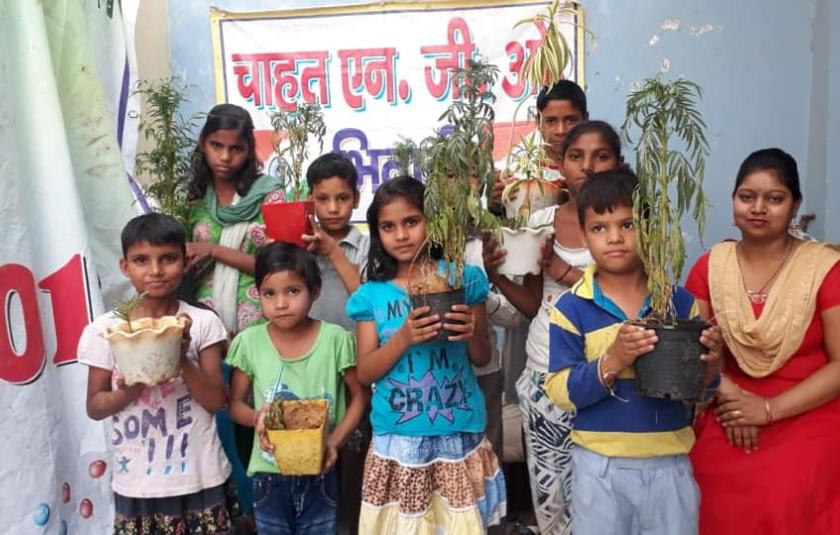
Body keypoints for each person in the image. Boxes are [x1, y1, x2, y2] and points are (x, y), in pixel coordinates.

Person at [544, 170, 722, 535]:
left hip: (670, 465)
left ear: (649, 228)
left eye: (627, 224)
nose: (614, 238)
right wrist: (613, 360)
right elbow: (560, 391)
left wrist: (710, 362)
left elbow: (702, 392)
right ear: (583, 236)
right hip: (599, 468)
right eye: (599, 228)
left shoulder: (677, 303)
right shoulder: (572, 308)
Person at [685, 148, 840, 533]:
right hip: (728, 402)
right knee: (703, 484)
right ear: (734, 199)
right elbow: (695, 352)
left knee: (784, 492)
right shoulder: (710, 267)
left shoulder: (824, 269)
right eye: (747, 196)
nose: (759, 208)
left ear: (795, 205)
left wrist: (768, 409)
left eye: (775, 198)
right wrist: (736, 400)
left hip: (808, 408)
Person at [483, 121, 623, 533]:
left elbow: (630, 297)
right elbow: (533, 304)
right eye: (576, 157)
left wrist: (563, 271)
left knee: (607, 497)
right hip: (548, 374)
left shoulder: (630, 222)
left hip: (612, 374)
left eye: (601, 156)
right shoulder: (541, 220)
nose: (588, 167)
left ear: (618, 162)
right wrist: (500, 278)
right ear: (561, 165)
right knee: (553, 500)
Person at [346, 176, 506, 533]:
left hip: (458, 430)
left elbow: (481, 356)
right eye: (388, 226)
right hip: (400, 439)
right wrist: (402, 338)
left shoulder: (463, 279)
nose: (401, 235)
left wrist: (469, 334)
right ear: (377, 233)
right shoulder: (371, 295)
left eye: (411, 222)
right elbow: (366, 372)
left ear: (431, 222)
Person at [80, 213, 237, 533]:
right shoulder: (106, 329)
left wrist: (180, 357)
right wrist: (131, 387)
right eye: (141, 260)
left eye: (167, 259)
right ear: (125, 267)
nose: (155, 271)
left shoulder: (202, 323)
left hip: (199, 475)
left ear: (185, 261)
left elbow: (217, 400)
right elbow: (95, 407)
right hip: (138, 483)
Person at [227, 243, 368, 534]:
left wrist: (334, 442)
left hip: (320, 470)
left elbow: (360, 396)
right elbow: (235, 405)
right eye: (270, 294)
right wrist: (257, 418)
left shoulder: (336, 340)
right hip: (269, 473)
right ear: (258, 295)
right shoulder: (249, 342)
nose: (281, 303)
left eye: (292, 291)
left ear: (314, 291)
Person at [186, 103, 280, 526]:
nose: (225, 156)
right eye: (216, 145)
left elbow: (279, 262)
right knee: (221, 427)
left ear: (249, 150)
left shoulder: (269, 194)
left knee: (262, 426)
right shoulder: (193, 199)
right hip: (210, 335)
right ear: (204, 146)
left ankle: (271, 513)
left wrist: (213, 250)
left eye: (236, 148)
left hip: (260, 331)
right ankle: (242, 513)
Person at [301, 152, 371, 534]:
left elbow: (364, 302)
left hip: (358, 366)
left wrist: (332, 251)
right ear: (310, 198)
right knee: (313, 454)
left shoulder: (367, 250)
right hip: (312, 367)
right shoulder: (300, 246)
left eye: (341, 198)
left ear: (356, 198)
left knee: (353, 457)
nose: (332, 208)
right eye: (323, 198)